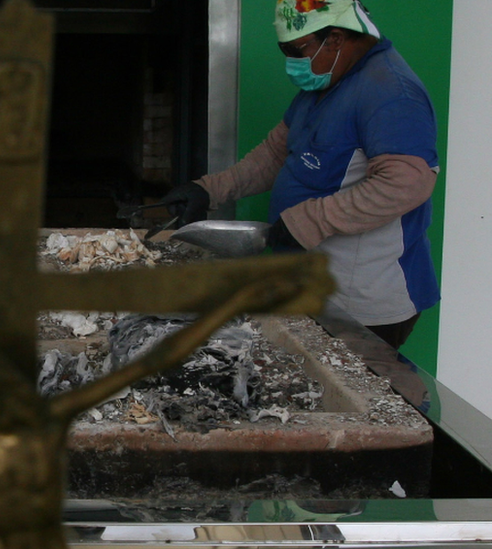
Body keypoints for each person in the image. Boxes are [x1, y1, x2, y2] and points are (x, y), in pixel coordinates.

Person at [163, 0, 439, 350]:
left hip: (360, 302)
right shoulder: (328, 82)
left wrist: (310, 220)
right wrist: (208, 190)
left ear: (335, 39)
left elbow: (407, 183)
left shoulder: (391, 93)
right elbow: (276, 154)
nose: (291, 61)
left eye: (295, 49)